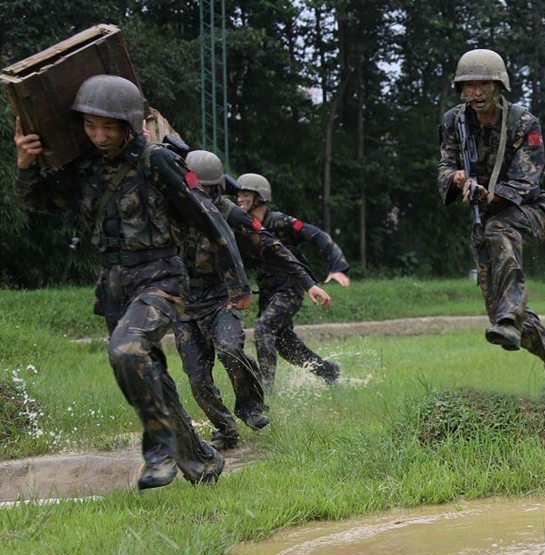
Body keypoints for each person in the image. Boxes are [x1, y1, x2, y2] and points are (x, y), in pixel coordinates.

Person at [13, 75, 249, 490]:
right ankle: (202, 463)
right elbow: (43, 203)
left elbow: (209, 218)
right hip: (113, 285)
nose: (99, 136)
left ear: (129, 123)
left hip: (161, 276)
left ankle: (159, 450)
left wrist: (237, 284)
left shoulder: (157, 160)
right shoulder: (84, 166)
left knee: (126, 351)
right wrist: (26, 166)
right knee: (149, 372)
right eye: (90, 126)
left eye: (109, 127)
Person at [176, 151, 331, 450]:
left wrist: (308, 283)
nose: (202, 196)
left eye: (209, 190)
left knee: (230, 349)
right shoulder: (171, 208)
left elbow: (272, 246)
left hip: (223, 298)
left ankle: (251, 406)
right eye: (197, 189)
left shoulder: (230, 212)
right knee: (197, 378)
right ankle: (225, 429)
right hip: (184, 303)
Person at [437, 48, 545, 390]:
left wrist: (488, 193)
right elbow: (445, 164)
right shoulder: (454, 121)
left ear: (499, 86)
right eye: (469, 86)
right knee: (496, 313)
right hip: (485, 220)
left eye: (484, 85)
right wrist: (455, 179)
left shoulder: (523, 122)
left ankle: (512, 316)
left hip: (530, 213)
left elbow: (528, 178)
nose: (476, 93)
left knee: (501, 228)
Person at [236, 173, 350, 389]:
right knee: (285, 344)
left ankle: (266, 390)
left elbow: (318, 236)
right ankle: (329, 371)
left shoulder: (280, 221)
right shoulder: (243, 227)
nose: (239, 197)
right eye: (238, 193)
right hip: (268, 290)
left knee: (263, 328)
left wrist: (337, 267)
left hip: (290, 287)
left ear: (259, 197)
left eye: (245, 193)